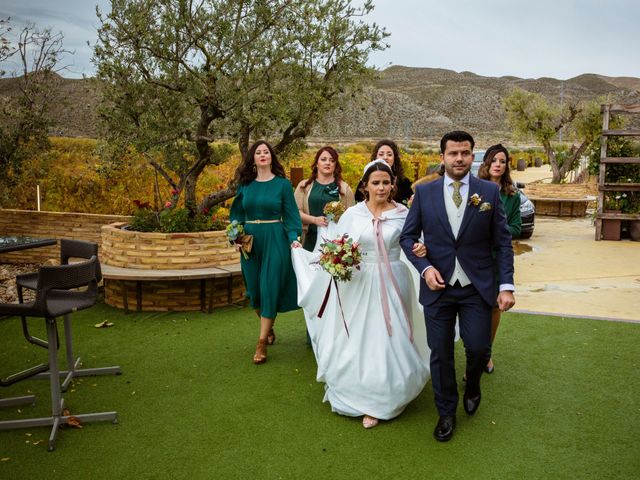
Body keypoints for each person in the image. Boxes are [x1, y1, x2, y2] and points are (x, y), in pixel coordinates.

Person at [291, 160, 430, 429]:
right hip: (358, 281)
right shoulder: (352, 215)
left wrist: (421, 249)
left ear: (393, 186)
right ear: (365, 186)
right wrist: (335, 259)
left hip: (393, 280)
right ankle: (358, 392)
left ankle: (387, 396)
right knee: (359, 335)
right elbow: (336, 244)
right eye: (375, 183)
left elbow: (416, 241)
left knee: (390, 335)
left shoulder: (404, 213)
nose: (381, 187)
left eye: (386, 182)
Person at [400, 131, 515, 442]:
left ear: (473, 155)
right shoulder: (425, 194)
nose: (459, 158)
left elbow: (503, 242)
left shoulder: (488, 192)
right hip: (438, 288)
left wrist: (506, 285)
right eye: (453, 153)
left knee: (478, 348)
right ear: (443, 157)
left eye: (465, 153)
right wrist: (424, 269)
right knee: (440, 352)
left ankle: (474, 382)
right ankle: (446, 411)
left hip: (477, 287)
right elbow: (408, 238)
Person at [230, 140, 302, 365]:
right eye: (258, 152)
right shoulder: (246, 185)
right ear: (253, 158)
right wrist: (235, 236)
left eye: (266, 152)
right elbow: (237, 214)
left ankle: (261, 343)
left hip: (275, 239)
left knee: (270, 287)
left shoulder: (282, 185)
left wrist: (294, 239)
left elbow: (291, 217)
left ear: (271, 157)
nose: (262, 155)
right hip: (250, 241)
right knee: (254, 291)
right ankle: (268, 326)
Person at [477, 144, 521, 374]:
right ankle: (473, 350)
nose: (498, 164)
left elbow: (516, 227)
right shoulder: (474, 190)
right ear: (486, 163)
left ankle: (486, 353)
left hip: (497, 257)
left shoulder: (512, 195)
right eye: (494, 160)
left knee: (494, 307)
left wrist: (498, 230)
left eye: (502, 161)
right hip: (474, 257)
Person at [294, 146, 355, 252]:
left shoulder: (344, 189)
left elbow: (352, 217)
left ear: (335, 165)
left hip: (335, 243)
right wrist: (314, 220)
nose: (328, 163)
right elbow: (295, 213)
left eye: (332, 160)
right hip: (309, 239)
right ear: (316, 163)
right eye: (323, 159)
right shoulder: (304, 186)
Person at [355, 140, 413, 204]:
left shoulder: (404, 182)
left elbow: (410, 204)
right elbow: (358, 201)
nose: (385, 157)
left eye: (389, 155)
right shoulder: (366, 179)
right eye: (381, 154)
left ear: (394, 158)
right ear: (375, 157)